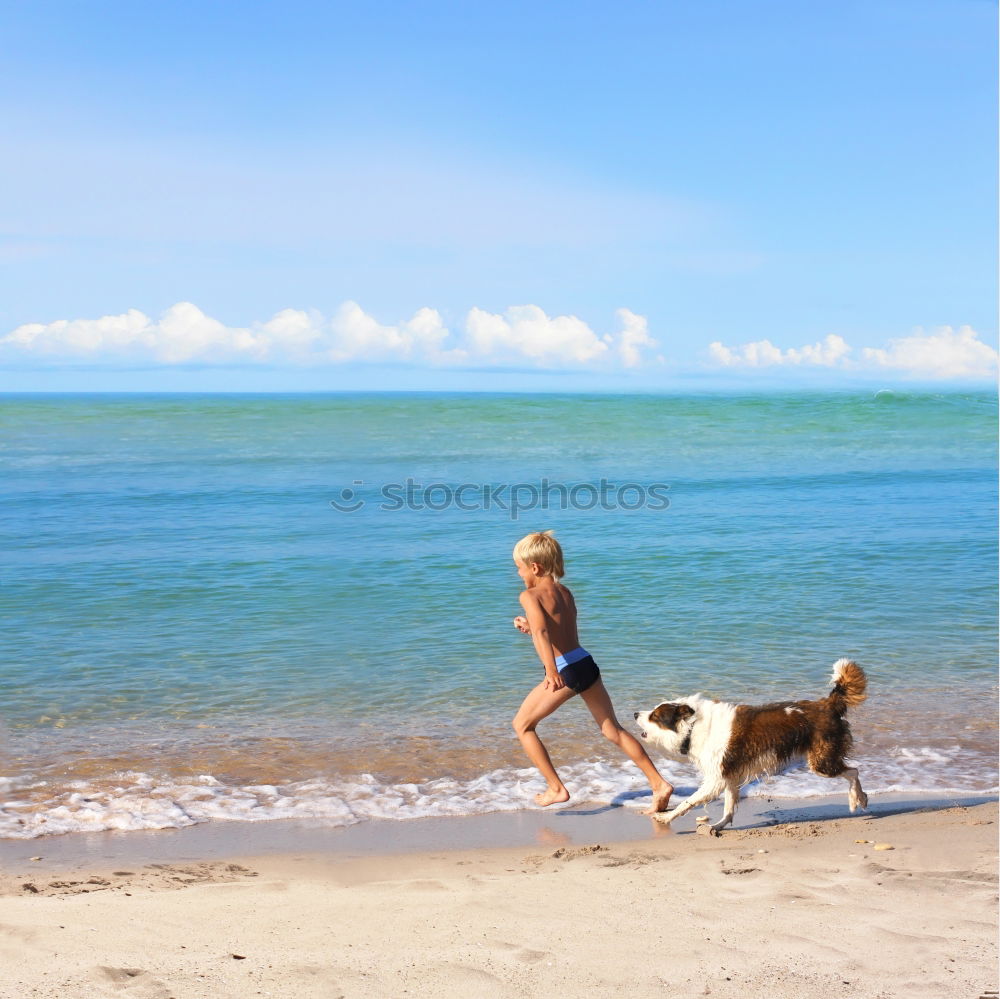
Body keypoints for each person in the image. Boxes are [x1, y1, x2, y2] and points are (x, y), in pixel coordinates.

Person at [510, 530, 673, 811]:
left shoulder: (529, 595)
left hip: (565, 671)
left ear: (534, 567)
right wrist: (532, 630)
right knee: (612, 730)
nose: (518, 573)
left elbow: (541, 630)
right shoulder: (565, 592)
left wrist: (550, 670)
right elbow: (557, 632)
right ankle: (659, 783)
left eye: (519, 568)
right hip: (585, 664)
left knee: (522, 726)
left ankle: (556, 788)